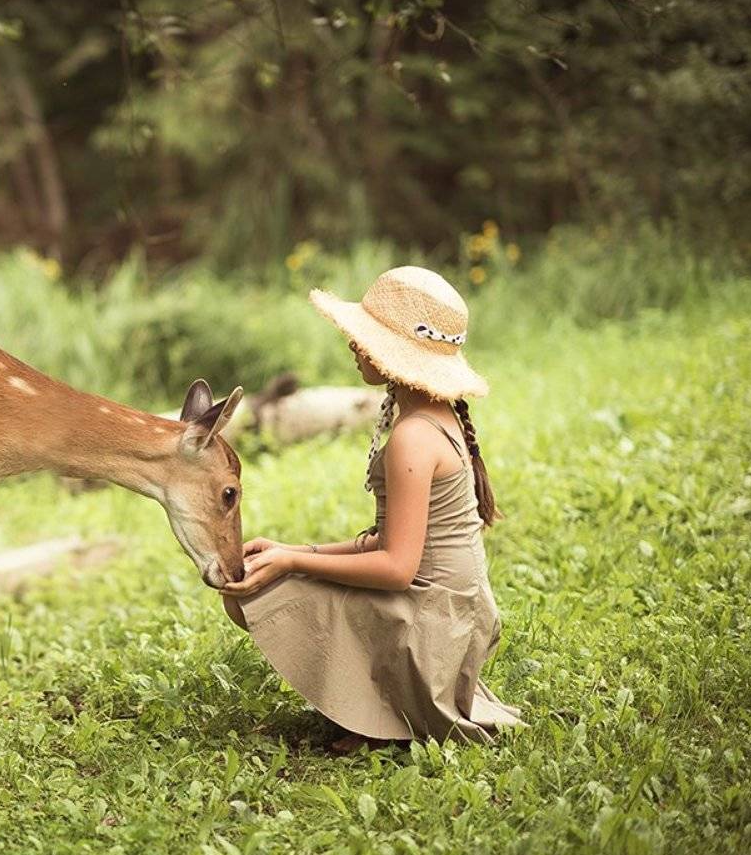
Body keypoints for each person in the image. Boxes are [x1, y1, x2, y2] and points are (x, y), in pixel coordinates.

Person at [219, 265, 524, 752]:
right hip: (453, 612)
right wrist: (292, 549)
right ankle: (378, 705)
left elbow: (398, 568)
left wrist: (294, 562)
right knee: (267, 576)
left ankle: (384, 716)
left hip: (431, 626)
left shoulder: (413, 437)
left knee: (253, 595)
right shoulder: (433, 416)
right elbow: (391, 544)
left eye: (367, 338)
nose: (353, 345)